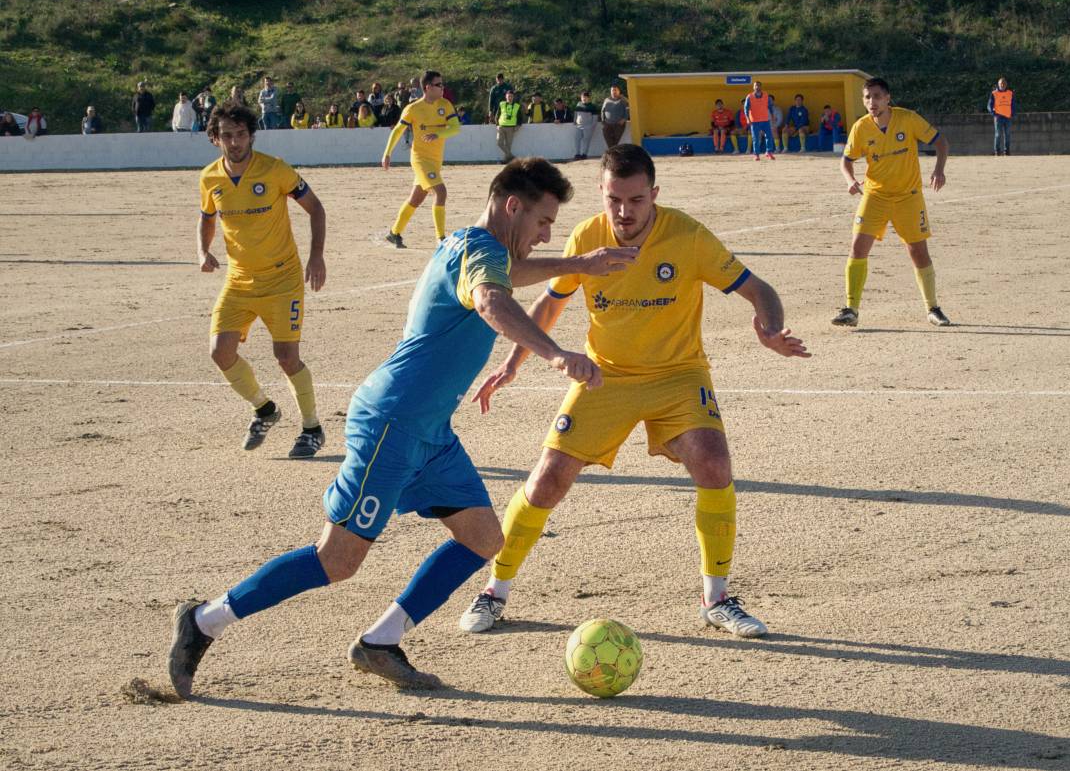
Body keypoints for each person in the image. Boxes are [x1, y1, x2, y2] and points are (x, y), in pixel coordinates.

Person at [168, 157, 640, 697]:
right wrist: (554, 353)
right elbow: (491, 297)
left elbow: (506, 274)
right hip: (392, 422)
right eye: (542, 223)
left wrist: (581, 262)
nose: (545, 234)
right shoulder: (482, 256)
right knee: (337, 560)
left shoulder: (470, 244)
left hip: (428, 430)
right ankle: (204, 621)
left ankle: (380, 642)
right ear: (513, 206)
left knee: (484, 538)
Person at [458, 144, 811, 638]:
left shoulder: (687, 236)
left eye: (636, 201)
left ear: (655, 195)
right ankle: (495, 591)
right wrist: (513, 362)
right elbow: (551, 302)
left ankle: (718, 599)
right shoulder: (588, 237)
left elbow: (759, 289)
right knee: (547, 480)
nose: (623, 212)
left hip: (678, 375)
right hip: (606, 377)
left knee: (714, 464)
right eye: (613, 200)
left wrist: (770, 327)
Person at [194, 101, 329, 458]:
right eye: (227, 136)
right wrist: (202, 250)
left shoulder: (275, 170)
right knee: (220, 352)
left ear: (251, 135)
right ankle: (264, 409)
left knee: (286, 356)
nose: (235, 142)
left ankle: (312, 428)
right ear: (214, 139)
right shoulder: (210, 178)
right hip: (239, 282)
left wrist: (316, 256)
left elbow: (316, 207)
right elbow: (207, 217)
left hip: (282, 280)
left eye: (241, 134)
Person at [833, 77, 951, 329]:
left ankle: (933, 308)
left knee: (918, 252)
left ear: (888, 98)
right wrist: (850, 180)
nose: (871, 102)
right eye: (867, 97)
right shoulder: (861, 127)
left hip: (908, 197)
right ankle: (851, 309)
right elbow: (846, 160)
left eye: (876, 96)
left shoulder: (908, 119)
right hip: (875, 196)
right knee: (857, 248)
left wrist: (939, 170)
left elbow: (941, 142)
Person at [379, 69, 462, 248]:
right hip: (420, 159)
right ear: (428, 87)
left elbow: (455, 128)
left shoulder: (445, 105)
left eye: (442, 84)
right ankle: (441, 238)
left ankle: (394, 233)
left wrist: (437, 133)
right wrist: (387, 152)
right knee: (441, 192)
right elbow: (398, 130)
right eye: (439, 84)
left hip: (435, 161)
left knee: (415, 199)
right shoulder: (413, 108)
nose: (442, 87)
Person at [742, 81, 775, 160]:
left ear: (761, 87)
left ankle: (769, 152)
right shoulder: (749, 96)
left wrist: (772, 115)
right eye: (755, 86)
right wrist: (747, 118)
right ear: (753, 87)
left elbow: (770, 106)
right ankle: (756, 154)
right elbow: (745, 109)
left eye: (759, 85)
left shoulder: (766, 95)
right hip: (754, 121)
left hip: (765, 120)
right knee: (756, 138)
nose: (757, 87)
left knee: (769, 136)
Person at [987, 77, 1014, 156]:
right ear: (998, 84)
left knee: (1007, 134)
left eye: (1004, 83)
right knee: (998, 134)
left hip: (1007, 117)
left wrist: (1012, 113)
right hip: (998, 118)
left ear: (1006, 85)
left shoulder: (1010, 93)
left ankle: (1007, 151)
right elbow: (989, 105)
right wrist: (994, 113)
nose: (1002, 85)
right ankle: (997, 151)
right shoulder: (994, 93)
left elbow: (1013, 104)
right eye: (1001, 83)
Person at [496, 89, 522, 163]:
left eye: (511, 96)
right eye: (508, 96)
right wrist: (497, 124)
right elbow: (497, 114)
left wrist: (518, 125)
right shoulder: (502, 104)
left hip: (511, 127)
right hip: (501, 126)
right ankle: (512, 157)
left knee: (508, 146)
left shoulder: (517, 106)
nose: (510, 98)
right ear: (506, 96)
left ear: (513, 97)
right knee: (499, 143)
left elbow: (520, 117)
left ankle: (505, 161)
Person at [600, 84, 630, 149]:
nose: (614, 92)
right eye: (612, 90)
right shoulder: (606, 100)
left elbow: (627, 110)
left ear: (619, 91)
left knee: (615, 141)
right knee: (609, 141)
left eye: (615, 90)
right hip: (607, 124)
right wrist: (603, 121)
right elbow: (602, 111)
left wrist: (624, 119)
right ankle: (613, 154)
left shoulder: (623, 100)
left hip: (619, 124)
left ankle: (612, 154)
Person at [573, 90, 600, 160]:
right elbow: (576, 113)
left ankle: (584, 154)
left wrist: (591, 126)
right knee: (577, 139)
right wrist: (574, 120)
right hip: (578, 126)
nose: (584, 98)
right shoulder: (578, 104)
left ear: (588, 98)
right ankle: (577, 154)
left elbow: (595, 118)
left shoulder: (592, 106)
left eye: (585, 97)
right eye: (582, 97)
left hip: (588, 127)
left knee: (586, 141)